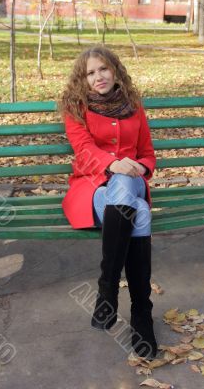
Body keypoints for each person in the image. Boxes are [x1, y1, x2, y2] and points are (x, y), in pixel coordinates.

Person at [60, 46, 157, 360]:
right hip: (92, 189)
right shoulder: (76, 106)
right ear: (83, 79)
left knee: (127, 184)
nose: (98, 77)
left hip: (128, 184)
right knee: (139, 213)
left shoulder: (134, 105)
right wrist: (114, 164)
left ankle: (107, 293)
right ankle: (142, 315)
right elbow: (83, 149)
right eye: (90, 72)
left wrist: (139, 167)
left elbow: (147, 153)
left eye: (103, 69)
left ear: (115, 70)